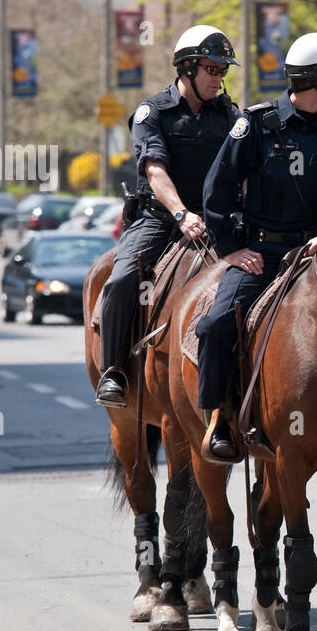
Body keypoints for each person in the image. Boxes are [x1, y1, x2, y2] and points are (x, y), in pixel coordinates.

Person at [195, 32, 317, 462]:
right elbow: (216, 190)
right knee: (215, 325)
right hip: (262, 255)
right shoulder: (254, 124)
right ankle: (221, 416)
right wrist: (232, 249)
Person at [95, 25, 241, 408]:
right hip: (161, 218)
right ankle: (113, 371)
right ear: (187, 68)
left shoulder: (229, 114)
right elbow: (155, 170)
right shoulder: (152, 112)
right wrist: (181, 214)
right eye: (212, 69)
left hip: (216, 221)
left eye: (223, 71)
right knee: (122, 279)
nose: (219, 77)